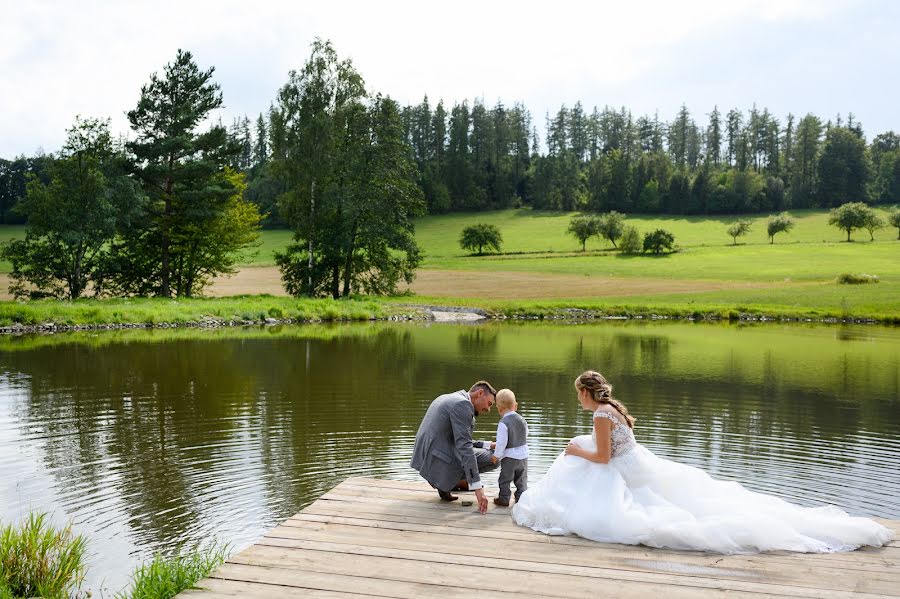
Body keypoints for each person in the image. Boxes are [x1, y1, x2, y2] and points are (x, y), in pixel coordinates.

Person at [511, 370, 894, 553]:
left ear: (585, 392)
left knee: (580, 457)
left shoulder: (599, 415)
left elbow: (603, 455)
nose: (577, 399)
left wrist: (576, 450)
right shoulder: (612, 407)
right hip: (639, 462)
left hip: (628, 468)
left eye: (577, 394)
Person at [410, 380, 499, 514]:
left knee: (490, 449)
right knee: (495, 457)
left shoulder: (451, 397)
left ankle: (448, 483)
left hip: (428, 455)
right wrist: (478, 488)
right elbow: (465, 447)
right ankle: (446, 481)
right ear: (480, 393)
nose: (488, 409)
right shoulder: (463, 405)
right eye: (489, 403)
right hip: (437, 459)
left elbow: (461, 439)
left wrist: (488, 444)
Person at [490, 389, 529, 507]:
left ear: (499, 408)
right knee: (521, 479)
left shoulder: (503, 422)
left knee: (505, 479)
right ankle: (521, 499)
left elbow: (501, 443)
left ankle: (504, 498)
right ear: (515, 405)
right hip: (523, 456)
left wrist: (496, 456)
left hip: (510, 458)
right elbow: (526, 433)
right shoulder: (522, 420)